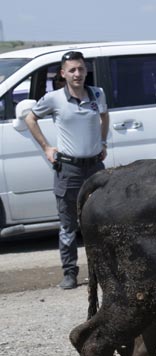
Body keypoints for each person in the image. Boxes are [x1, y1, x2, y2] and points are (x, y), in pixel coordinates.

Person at [25, 51, 109, 289]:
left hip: (94, 168)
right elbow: (30, 119)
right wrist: (46, 147)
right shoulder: (54, 99)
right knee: (68, 224)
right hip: (68, 169)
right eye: (72, 70)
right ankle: (70, 273)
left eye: (81, 69)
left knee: (99, 221)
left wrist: (102, 142)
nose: (77, 74)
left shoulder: (97, 93)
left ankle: (101, 271)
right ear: (63, 74)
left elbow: (104, 115)